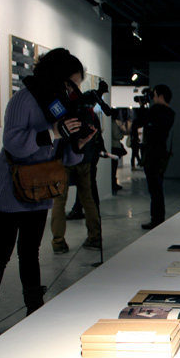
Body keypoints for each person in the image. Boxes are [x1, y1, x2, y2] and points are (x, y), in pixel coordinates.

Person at [0, 48, 96, 340]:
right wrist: (53, 133)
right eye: (72, 83)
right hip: (10, 191)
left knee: (30, 253)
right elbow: (14, 143)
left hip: (41, 190)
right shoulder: (24, 100)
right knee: (0, 252)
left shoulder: (60, 104)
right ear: (57, 76)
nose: (74, 90)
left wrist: (78, 144)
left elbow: (64, 155)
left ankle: (35, 308)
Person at [49, 108, 103, 254]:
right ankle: (95, 236)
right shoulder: (90, 115)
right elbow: (96, 138)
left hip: (64, 159)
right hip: (84, 159)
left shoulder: (64, 112)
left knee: (59, 200)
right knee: (87, 198)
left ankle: (58, 242)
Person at [139, 84, 175, 230]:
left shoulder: (155, 111)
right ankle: (158, 218)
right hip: (160, 154)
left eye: (153, 96)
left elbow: (140, 121)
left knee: (154, 189)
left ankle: (157, 219)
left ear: (161, 97)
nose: (152, 99)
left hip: (152, 155)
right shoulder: (170, 113)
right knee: (157, 188)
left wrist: (143, 106)